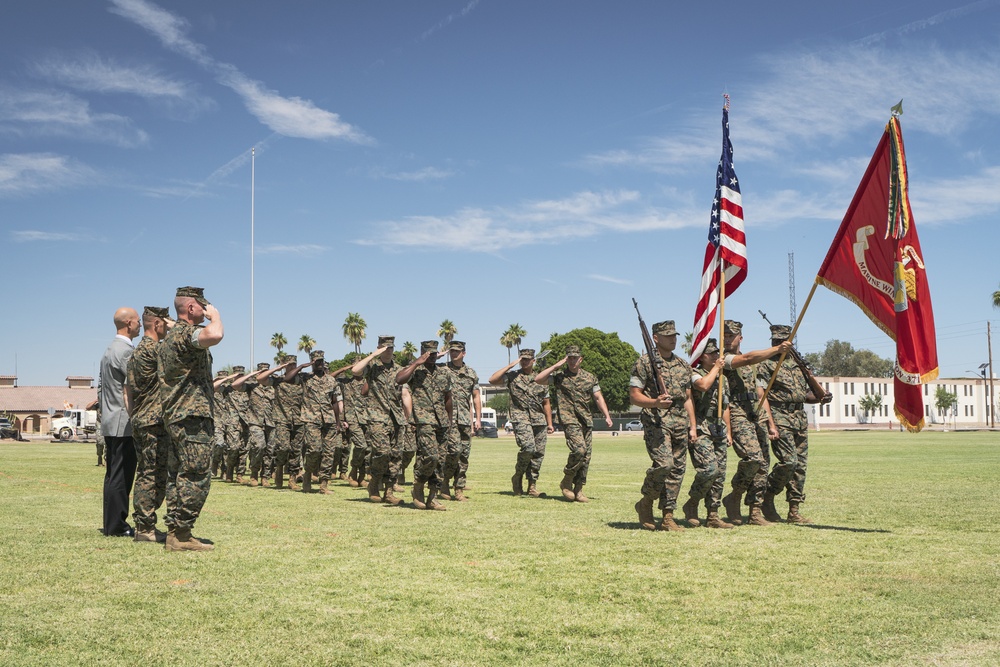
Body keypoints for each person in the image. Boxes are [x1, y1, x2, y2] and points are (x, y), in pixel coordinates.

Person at [157, 286, 223, 551]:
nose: (206, 311)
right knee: (196, 475)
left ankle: (175, 532)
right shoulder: (186, 334)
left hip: (176, 415)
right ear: (193, 308)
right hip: (192, 416)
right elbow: (215, 334)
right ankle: (182, 533)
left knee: (177, 475)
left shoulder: (172, 337)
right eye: (203, 307)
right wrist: (216, 317)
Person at [758, 324, 830, 524]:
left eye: (783, 341)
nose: (780, 345)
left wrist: (815, 384)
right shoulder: (766, 364)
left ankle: (794, 510)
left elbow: (807, 395)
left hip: (799, 417)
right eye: (776, 341)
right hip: (779, 417)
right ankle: (768, 495)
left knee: (800, 466)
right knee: (789, 462)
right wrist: (770, 424)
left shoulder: (798, 365)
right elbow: (762, 396)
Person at [629, 320, 697, 532]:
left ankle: (668, 516)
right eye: (668, 336)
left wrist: (693, 426)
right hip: (656, 421)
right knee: (664, 464)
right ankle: (646, 502)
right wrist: (655, 403)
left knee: (677, 470)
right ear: (656, 338)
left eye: (674, 335)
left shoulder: (683, 365)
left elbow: (687, 398)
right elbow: (634, 396)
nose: (673, 339)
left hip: (679, 421)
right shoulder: (644, 363)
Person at [719, 320, 788, 527]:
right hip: (738, 412)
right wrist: (777, 348)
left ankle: (755, 512)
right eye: (725, 335)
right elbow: (748, 358)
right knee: (753, 458)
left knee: (763, 464)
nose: (728, 339)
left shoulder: (752, 366)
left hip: (755, 413)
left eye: (732, 335)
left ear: (740, 337)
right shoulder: (725, 359)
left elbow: (761, 394)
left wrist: (770, 423)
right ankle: (735, 496)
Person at [534, 345, 612, 503]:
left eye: (575, 358)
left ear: (580, 359)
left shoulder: (590, 377)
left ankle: (579, 490)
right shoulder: (559, 376)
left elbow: (598, 397)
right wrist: (556, 365)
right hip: (569, 418)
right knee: (579, 449)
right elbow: (538, 379)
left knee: (586, 457)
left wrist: (607, 415)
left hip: (585, 419)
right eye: (569, 358)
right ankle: (567, 480)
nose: (572, 361)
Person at [125, 306, 171, 543]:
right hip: (154, 422)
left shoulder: (137, 352)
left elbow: (128, 391)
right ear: (157, 324)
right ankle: (144, 528)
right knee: (151, 474)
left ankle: (146, 525)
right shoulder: (155, 350)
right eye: (165, 322)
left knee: (150, 473)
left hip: (143, 419)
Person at [396, 340, 453, 510]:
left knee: (441, 460)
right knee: (431, 456)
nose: (432, 357)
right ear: (422, 353)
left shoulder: (443, 373)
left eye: (434, 353)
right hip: (423, 419)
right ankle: (418, 484)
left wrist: (450, 419)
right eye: (428, 353)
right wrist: (416, 362)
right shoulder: (415, 370)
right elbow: (399, 379)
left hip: (441, 420)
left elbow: (448, 397)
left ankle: (432, 497)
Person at [490, 349, 553, 497]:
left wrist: (550, 423)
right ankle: (518, 476)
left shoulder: (541, 378)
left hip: (539, 419)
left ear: (533, 361)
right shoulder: (512, 376)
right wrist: (511, 365)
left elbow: (546, 403)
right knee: (528, 447)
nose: (525, 362)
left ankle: (532, 486)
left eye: (527, 359)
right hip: (521, 417)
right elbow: (493, 380)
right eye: (522, 359)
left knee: (538, 454)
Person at [100, 306, 140, 537]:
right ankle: (117, 525)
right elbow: (132, 387)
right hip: (122, 421)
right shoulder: (125, 351)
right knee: (121, 476)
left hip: (111, 419)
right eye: (137, 321)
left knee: (114, 475)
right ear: (128, 324)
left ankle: (112, 523)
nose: (140, 325)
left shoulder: (110, 349)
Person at [683, 338, 731, 529]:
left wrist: (729, 431)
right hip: (701, 426)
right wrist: (716, 369)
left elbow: (725, 406)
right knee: (709, 469)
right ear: (702, 356)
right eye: (712, 353)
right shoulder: (693, 373)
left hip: (718, 427)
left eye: (718, 353)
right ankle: (692, 503)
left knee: (719, 473)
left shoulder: (723, 379)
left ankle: (713, 514)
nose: (716, 357)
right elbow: (702, 385)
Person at [352, 337, 405, 505]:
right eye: (384, 348)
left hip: (396, 418)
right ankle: (374, 484)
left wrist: (407, 417)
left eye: (390, 347)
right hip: (377, 417)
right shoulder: (373, 367)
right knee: (382, 452)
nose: (388, 350)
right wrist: (373, 355)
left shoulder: (399, 369)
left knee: (395, 456)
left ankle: (389, 491)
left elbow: (405, 393)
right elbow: (355, 371)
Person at [440, 340, 480, 501]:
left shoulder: (471, 373)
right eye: (452, 351)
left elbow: (476, 397)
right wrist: (439, 355)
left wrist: (477, 419)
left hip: (464, 418)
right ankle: (444, 482)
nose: (454, 353)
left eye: (457, 351)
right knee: (452, 452)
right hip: (447, 419)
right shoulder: (442, 369)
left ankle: (459, 488)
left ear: (464, 353)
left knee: (464, 455)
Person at [297, 350, 340, 494]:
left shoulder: (331, 380)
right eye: (317, 361)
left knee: (329, 452)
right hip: (311, 418)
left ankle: (324, 484)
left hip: (329, 419)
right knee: (314, 449)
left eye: (322, 361)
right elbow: (288, 378)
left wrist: (338, 421)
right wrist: (303, 366)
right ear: (312, 362)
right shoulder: (305, 378)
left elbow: (334, 401)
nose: (320, 364)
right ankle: (307, 476)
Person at [336, 356, 371, 488]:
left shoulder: (368, 381)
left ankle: (361, 477)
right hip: (351, 419)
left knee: (367, 448)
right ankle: (353, 471)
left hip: (367, 418)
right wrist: (344, 368)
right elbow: (330, 377)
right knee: (361, 445)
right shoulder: (345, 382)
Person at [86, 393, 104, 467]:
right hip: (100, 425)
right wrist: (95, 400)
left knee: (109, 444)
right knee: (100, 442)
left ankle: (107, 461)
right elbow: (87, 407)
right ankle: (99, 458)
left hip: (109, 424)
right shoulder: (97, 404)